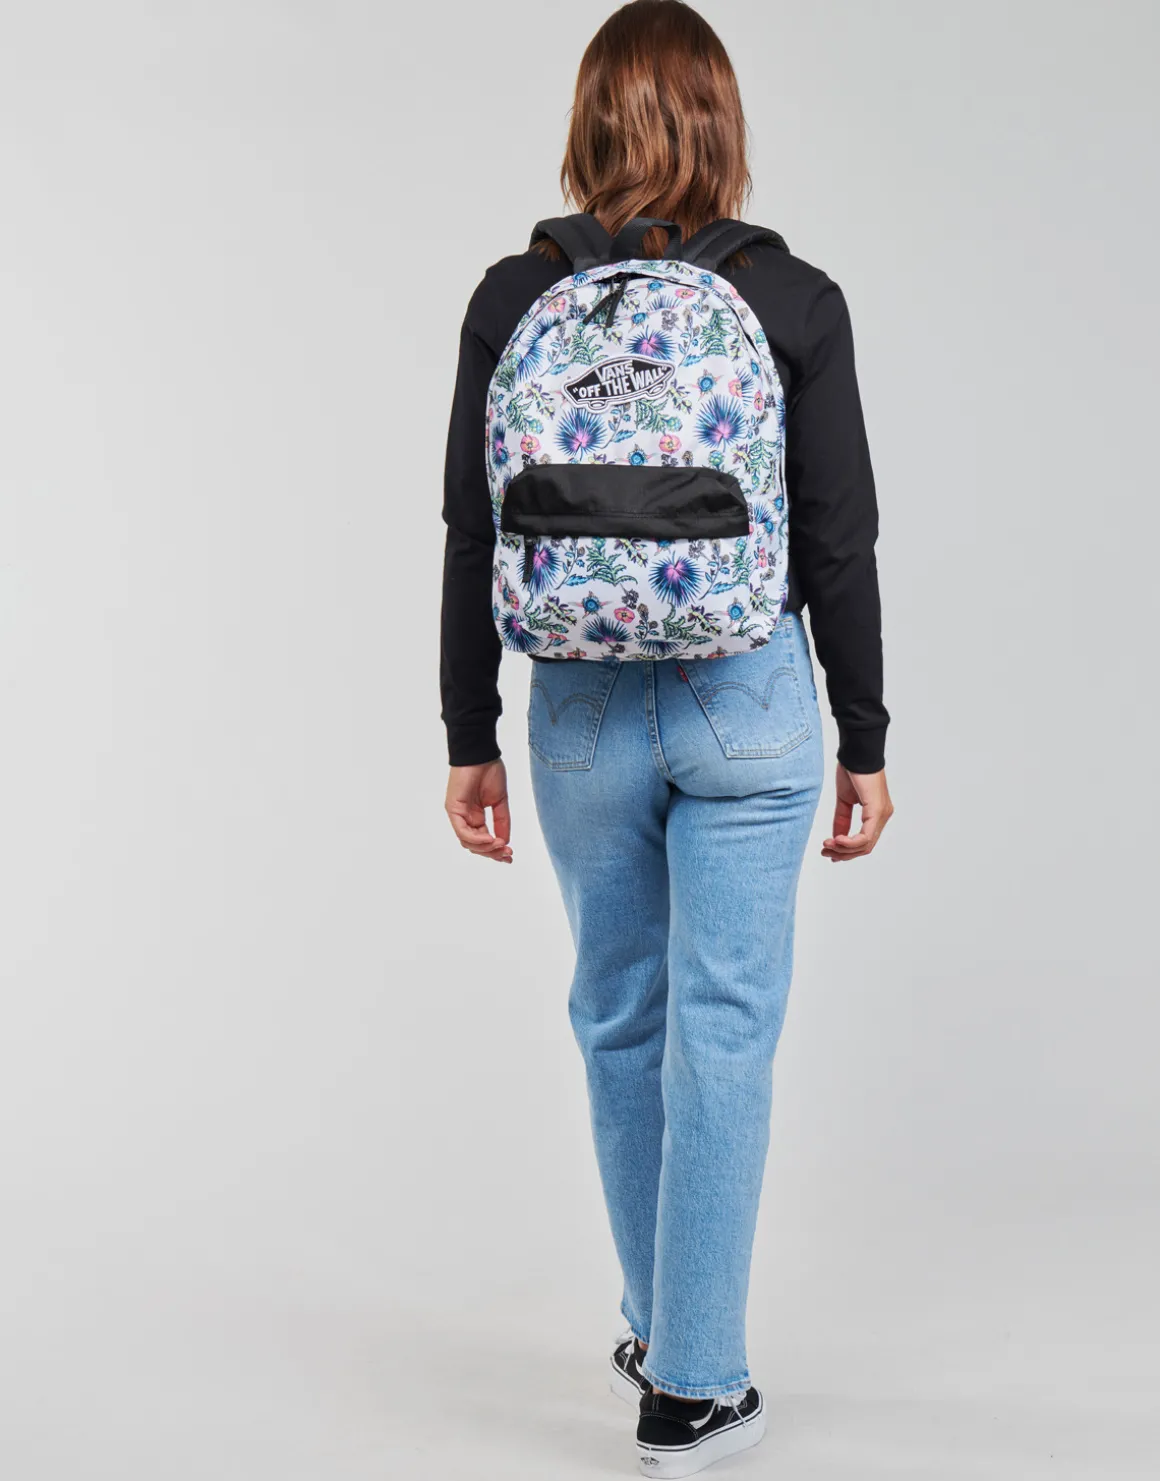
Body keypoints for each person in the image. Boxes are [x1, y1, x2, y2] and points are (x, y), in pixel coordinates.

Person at [439, 1, 893, 1473]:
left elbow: (472, 529)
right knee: (725, 1033)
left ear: (587, 124)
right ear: (722, 123)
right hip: (746, 695)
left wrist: (466, 729)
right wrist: (867, 734)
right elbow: (838, 536)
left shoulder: (517, 294)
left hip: (574, 705)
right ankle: (695, 1378)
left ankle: (663, 1335)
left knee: (621, 1017)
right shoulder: (794, 297)